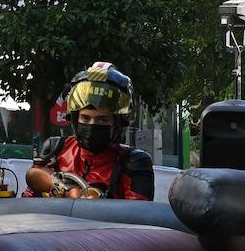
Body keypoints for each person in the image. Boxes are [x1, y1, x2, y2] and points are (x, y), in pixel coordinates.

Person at [25, 62, 154, 200]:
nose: (92, 125)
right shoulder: (56, 149)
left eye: (102, 120)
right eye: (85, 118)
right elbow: (29, 199)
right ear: (75, 119)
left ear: (117, 123)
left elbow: (137, 213)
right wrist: (65, 189)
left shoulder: (134, 162)